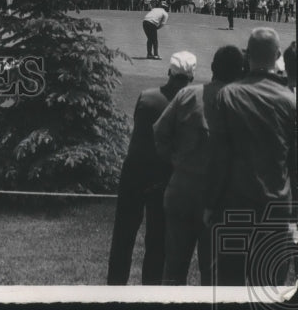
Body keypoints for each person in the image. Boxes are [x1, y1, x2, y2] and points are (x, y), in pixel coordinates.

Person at [205, 28, 296, 287]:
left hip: (235, 206)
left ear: (248, 55)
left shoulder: (228, 95)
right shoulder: (290, 100)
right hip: (277, 208)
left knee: (230, 287)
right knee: (268, 290)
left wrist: (210, 203)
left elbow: (218, 156)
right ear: (277, 55)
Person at [153, 46, 245, 286]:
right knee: (213, 273)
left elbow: (160, 132)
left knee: (173, 268)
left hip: (182, 188)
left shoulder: (187, 95)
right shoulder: (242, 105)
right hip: (219, 198)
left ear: (213, 68)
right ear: (240, 71)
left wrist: (175, 160)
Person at [108, 51, 197, 285]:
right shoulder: (188, 107)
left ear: (169, 72)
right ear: (191, 77)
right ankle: (150, 291)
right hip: (162, 177)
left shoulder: (147, 97)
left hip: (134, 172)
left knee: (122, 238)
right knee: (157, 242)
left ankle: (114, 288)